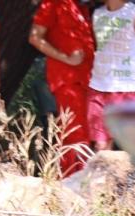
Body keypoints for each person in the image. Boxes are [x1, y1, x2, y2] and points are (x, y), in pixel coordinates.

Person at [29, 0, 97, 176]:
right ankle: (73, 182)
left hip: (87, 80)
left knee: (84, 135)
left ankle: (76, 181)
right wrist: (65, 58)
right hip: (68, 81)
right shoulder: (54, 3)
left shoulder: (82, 7)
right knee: (75, 136)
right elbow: (35, 37)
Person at [87, 0, 135, 152]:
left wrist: (130, 74)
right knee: (100, 146)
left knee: (132, 145)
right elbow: (102, 48)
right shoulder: (97, 14)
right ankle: (105, 169)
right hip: (98, 87)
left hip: (127, 89)